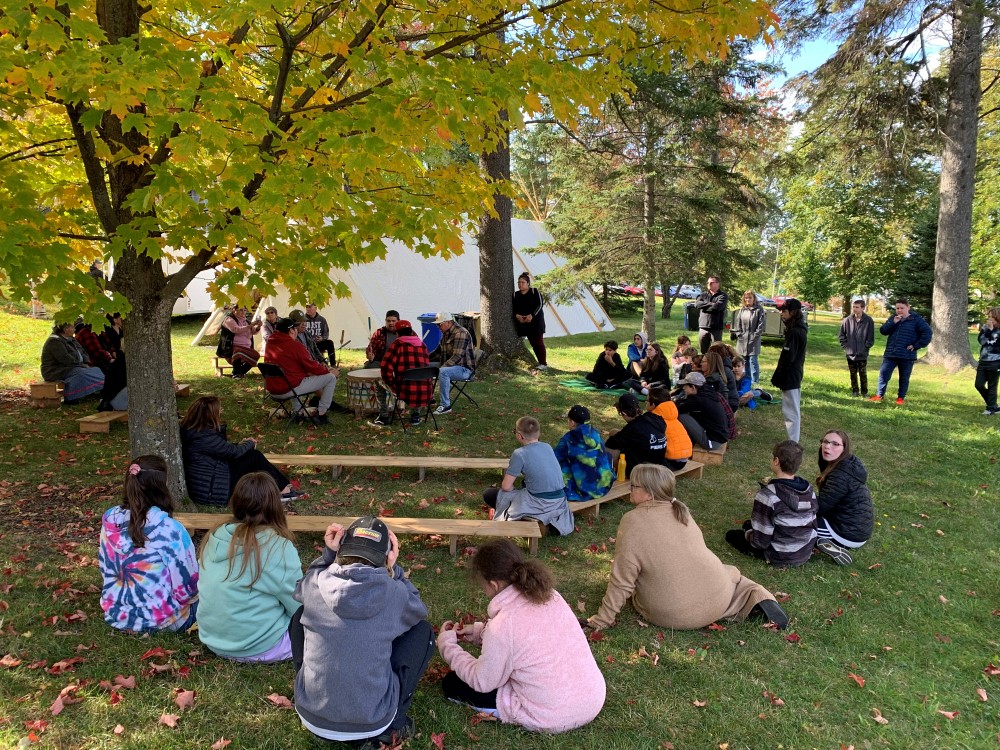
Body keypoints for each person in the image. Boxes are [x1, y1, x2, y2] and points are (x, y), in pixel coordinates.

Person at [586, 464, 787, 631]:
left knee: (644, 586)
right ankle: (757, 597)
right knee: (735, 577)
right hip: (718, 596)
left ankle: (747, 596)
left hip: (673, 614)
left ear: (648, 493)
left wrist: (602, 619)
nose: (630, 488)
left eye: (633, 485)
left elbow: (622, 580)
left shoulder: (632, 521)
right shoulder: (680, 511)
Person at [291, 517, 434, 747]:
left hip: (311, 715)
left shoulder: (315, 583)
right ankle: (395, 722)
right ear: (387, 555)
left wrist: (327, 554)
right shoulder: (394, 593)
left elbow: (299, 589)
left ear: (341, 547)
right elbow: (418, 610)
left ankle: (313, 687)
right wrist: (395, 569)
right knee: (422, 632)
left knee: (299, 615)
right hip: (373, 720)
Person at [437, 540, 606, 732]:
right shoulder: (551, 595)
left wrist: (448, 647)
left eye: (483, 586)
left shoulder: (502, 626)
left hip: (553, 714)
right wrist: (478, 632)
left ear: (493, 585)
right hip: (592, 697)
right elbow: (529, 636)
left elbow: (482, 681)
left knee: (452, 684)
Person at [197, 472, 303, 662]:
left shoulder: (214, 536)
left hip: (213, 641)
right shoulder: (278, 547)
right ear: (275, 506)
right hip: (259, 646)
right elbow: (297, 604)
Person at [99, 456, 198, 633]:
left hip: (117, 615)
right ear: (161, 486)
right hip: (163, 621)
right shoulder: (170, 529)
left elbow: (105, 567)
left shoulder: (110, 522)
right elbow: (187, 590)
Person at [180, 396, 301, 506]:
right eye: (218, 411)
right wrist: (249, 443)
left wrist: (242, 444)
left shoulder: (193, 430)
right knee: (254, 456)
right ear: (210, 414)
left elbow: (222, 449)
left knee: (252, 455)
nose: (220, 413)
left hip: (213, 477)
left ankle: (282, 486)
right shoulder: (202, 435)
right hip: (213, 490)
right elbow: (234, 452)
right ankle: (282, 490)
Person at [725, 440, 817, 568]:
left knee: (732, 535)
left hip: (780, 555)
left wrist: (749, 534)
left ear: (776, 461)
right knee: (749, 524)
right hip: (804, 551)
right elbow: (813, 523)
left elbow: (761, 543)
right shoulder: (809, 490)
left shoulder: (767, 496)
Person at [484, 416, 574, 536]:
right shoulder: (547, 447)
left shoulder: (519, 454)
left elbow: (506, 486)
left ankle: (533, 517)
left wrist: (513, 492)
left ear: (519, 436)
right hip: (559, 500)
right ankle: (552, 522)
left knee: (489, 494)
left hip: (538, 502)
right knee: (524, 489)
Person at [814, 430, 874, 566]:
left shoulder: (841, 474)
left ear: (844, 448)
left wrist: (797, 498)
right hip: (854, 530)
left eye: (835, 444)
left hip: (847, 533)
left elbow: (821, 506)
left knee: (797, 523)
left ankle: (829, 544)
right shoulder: (844, 465)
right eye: (825, 441)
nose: (827, 446)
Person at [264, 317, 340, 423]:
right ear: (291, 330)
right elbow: (312, 366)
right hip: (287, 389)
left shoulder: (270, 343)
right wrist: (329, 371)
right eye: (295, 328)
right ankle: (321, 413)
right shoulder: (295, 345)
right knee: (331, 378)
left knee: (296, 378)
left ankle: (298, 413)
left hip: (272, 390)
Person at [871, 297, 932, 405]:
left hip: (907, 355)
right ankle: (879, 395)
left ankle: (900, 398)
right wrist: (893, 323)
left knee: (904, 377)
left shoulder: (916, 320)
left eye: (902, 308)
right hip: (891, 353)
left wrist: (916, 345)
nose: (899, 310)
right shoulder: (893, 318)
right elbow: (883, 331)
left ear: (908, 307)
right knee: (884, 374)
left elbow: (928, 333)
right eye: (897, 308)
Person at [374, 320, 432, 427]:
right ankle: (415, 416)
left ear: (397, 333)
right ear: (411, 331)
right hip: (426, 392)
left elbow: (385, 367)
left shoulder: (398, 344)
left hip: (405, 391)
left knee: (378, 383)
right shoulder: (423, 345)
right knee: (418, 379)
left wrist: (392, 384)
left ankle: (384, 416)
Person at [553, 405, 615, 501]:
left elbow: (553, 459)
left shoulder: (568, 439)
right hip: (604, 485)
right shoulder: (595, 433)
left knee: (562, 464)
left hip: (585, 489)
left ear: (572, 423)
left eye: (568, 420)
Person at [771, 298, 807, 443]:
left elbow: (788, 358)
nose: (782, 314)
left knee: (791, 410)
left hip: (791, 375)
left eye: (784, 311)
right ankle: (793, 439)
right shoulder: (795, 330)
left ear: (793, 312)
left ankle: (793, 441)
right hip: (792, 374)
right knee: (790, 408)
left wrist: (779, 375)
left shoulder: (796, 332)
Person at [604, 393, 667, 477]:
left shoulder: (632, 427)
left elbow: (611, 443)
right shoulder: (653, 417)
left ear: (624, 413)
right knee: (613, 432)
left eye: (620, 413)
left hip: (640, 471)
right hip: (658, 464)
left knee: (607, 449)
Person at [40, 321, 105, 404]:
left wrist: (86, 362)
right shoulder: (54, 341)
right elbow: (65, 359)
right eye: (72, 327)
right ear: (65, 329)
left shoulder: (71, 339)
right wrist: (82, 365)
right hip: (54, 370)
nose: (74, 329)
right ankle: (72, 396)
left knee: (96, 370)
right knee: (81, 374)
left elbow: (83, 352)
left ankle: (97, 390)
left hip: (73, 367)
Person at [75, 319, 128, 411]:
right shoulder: (87, 333)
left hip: (108, 361)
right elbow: (97, 351)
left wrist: (112, 353)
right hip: (96, 361)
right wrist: (110, 358)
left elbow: (109, 345)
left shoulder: (100, 331)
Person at [432, 312, 476, 416]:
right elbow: (438, 351)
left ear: (448, 322)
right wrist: (424, 359)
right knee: (426, 367)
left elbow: (457, 356)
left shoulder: (460, 333)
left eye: (439, 324)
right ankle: (429, 398)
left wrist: (440, 369)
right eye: (437, 324)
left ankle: (445, 406)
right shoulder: (446, 333)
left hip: (465, 370)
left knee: (443, 372)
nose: (438, 327)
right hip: (452, 366)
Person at [674, 372, 729, 450]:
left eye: (685, 386)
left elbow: (677, 409)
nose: (684, 388)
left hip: (712, 442)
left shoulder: (699, 400)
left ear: (693, 387)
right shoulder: (707, 393)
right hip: (719, 437)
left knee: (681, 416)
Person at [646, 387, 692, 470]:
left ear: (653, 404)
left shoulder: (655, 419)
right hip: (683, 460)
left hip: (671, 462)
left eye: (647, 400)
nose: (645, 402)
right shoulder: (672, 417)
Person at [839, 298, 875, 398]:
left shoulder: (868, 321)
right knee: (853, 373)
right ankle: (855, 391)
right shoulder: (847, 320)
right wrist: (846, 347)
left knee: (863, 374)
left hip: (862, 353)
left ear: (862, 308)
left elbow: (871, 337)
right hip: (850, 353)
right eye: (853, 307)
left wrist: (865, 347)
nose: (854, 309)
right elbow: (842, 335)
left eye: (857, 307)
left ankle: (864, 392)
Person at [512, 272, 547, 370]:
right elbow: (514, 308)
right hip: (525, 323)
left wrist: (532, 315)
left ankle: (543, 363)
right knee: (533, 344)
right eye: (519, 282)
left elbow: (540, 304)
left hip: (536, 322)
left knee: (539, 342)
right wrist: (517, 315)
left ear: (528, 283)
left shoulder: (534, 291)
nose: (520, 284)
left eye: (523, 282)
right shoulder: (515, 295)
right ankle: (540, 362)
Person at [732, 291, 765, 385]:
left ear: (754, 298)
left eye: (750, 297)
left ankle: (755, 381)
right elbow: (737, 323)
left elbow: (761, 325)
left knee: (753, 361)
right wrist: (739, 334)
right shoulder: (742, 310)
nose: (748, 300)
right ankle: (746, 379)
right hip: (742, 340)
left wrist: (755, 336)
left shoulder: (759, 309)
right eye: (746, 298)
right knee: (743, 360)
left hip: (754, 340)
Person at [222, 306, 262, 378]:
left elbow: (254, 332)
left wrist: (258, 327)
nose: (243, 312)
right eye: (241, 310)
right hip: (233, 346)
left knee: (256, 355)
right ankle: (236, 373)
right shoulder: (229, 319)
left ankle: (240, 372)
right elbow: (236, 330)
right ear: (234, 310)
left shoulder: (247, 321)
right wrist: (250, 326)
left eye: (245, 310)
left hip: (246, 347)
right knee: (238, 352)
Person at [976, 307, 1000, 415]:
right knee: (979, 385)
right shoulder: (985, 328)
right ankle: (993, 405)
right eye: (989, 317)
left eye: (992, 317)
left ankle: (990, 408)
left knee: (992, 386)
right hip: (983, 361)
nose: (990, 320)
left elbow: (995, 344)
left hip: (995, 361)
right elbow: (982, 341)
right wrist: (988, 330)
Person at [695, 276, 728, 353]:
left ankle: (716, 365)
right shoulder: (703, 295)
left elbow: (716, 308)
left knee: (716, 351)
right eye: (708, 282)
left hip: (716, 328)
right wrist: (710, 303)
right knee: (703, 351)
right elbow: (697, 305)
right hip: (703, 327)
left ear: (718, 284)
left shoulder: (723, 296)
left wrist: (704, 307)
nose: (709, 284)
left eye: (712, 282)